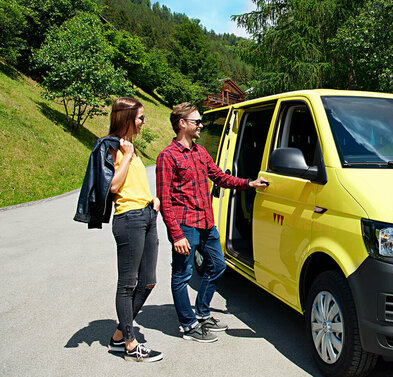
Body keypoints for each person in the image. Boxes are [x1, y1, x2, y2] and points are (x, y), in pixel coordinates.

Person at [156, 102, 268, 343]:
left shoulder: (200, 152)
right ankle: (188, 324)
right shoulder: (167, 156)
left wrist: (249, 183)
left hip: (207, 223)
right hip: (185, 225)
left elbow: (220, 177)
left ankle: (203, 313)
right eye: (197, 121)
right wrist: (176, 235)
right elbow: (165, 201)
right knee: (182, 275)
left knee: (218, 265)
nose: (201, 125)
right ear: (182, 124)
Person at [75, 97, 163, 362]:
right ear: (126, 118)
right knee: (127, 283)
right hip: (129, 219)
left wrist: (152, 198)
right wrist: (125, 156)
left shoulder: (131, 146)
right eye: (140, 118)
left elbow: (134, 183)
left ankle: (117, 337)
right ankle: (129, 343)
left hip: (147, 214)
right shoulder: (110, 146)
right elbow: (113, 187)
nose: (144, 122)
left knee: (148, 280)